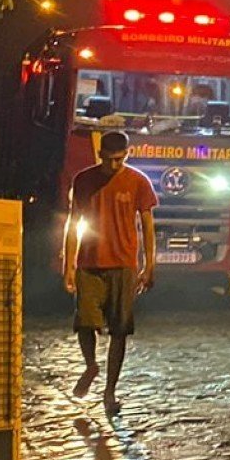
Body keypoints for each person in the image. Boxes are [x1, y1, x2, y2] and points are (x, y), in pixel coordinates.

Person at [62, 130, 156, 417]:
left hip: (123, 264)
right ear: (100, 154)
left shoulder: (138, 182)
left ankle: (110, 391)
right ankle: (91, 365)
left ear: (127, 154)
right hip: (89, 263)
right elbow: (72, 223)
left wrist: (149, 263)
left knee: (119, 330)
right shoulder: (83, 180)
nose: (115, 165)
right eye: (110, 159)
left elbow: (147, 225)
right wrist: (69, 264)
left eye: (120, 159)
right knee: (85, 322)